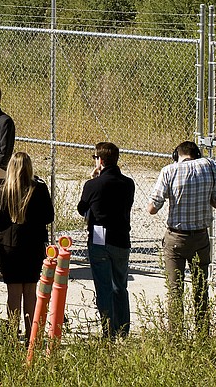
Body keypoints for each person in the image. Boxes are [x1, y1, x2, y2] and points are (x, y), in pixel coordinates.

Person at [147, 141, 216, 332]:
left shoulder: (169, 170)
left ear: (177, 155)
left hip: (176, 238)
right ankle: (203, 335)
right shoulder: (210, 165)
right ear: (196, 154)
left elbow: (152, 209)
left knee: (175, 291)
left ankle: (176, 338)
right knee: (201, 290)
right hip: (200, 237)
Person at [0, 152, 53, 340]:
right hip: (33, 245)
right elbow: (49, 216)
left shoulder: (4, 190)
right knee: (30, 292)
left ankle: (11, 333)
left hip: (10, 246)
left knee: (14, 293)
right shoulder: (39, 189)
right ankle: (32, 334)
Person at [77, 142, 135, 338]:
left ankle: (108, 329)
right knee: (120, 285)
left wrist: (94, 179)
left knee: (104, 286)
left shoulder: (93, 185)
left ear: (100, 161)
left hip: (100, 238)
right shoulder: (128, 183)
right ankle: (123, 329)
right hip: (121, 238)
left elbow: (81, 207)